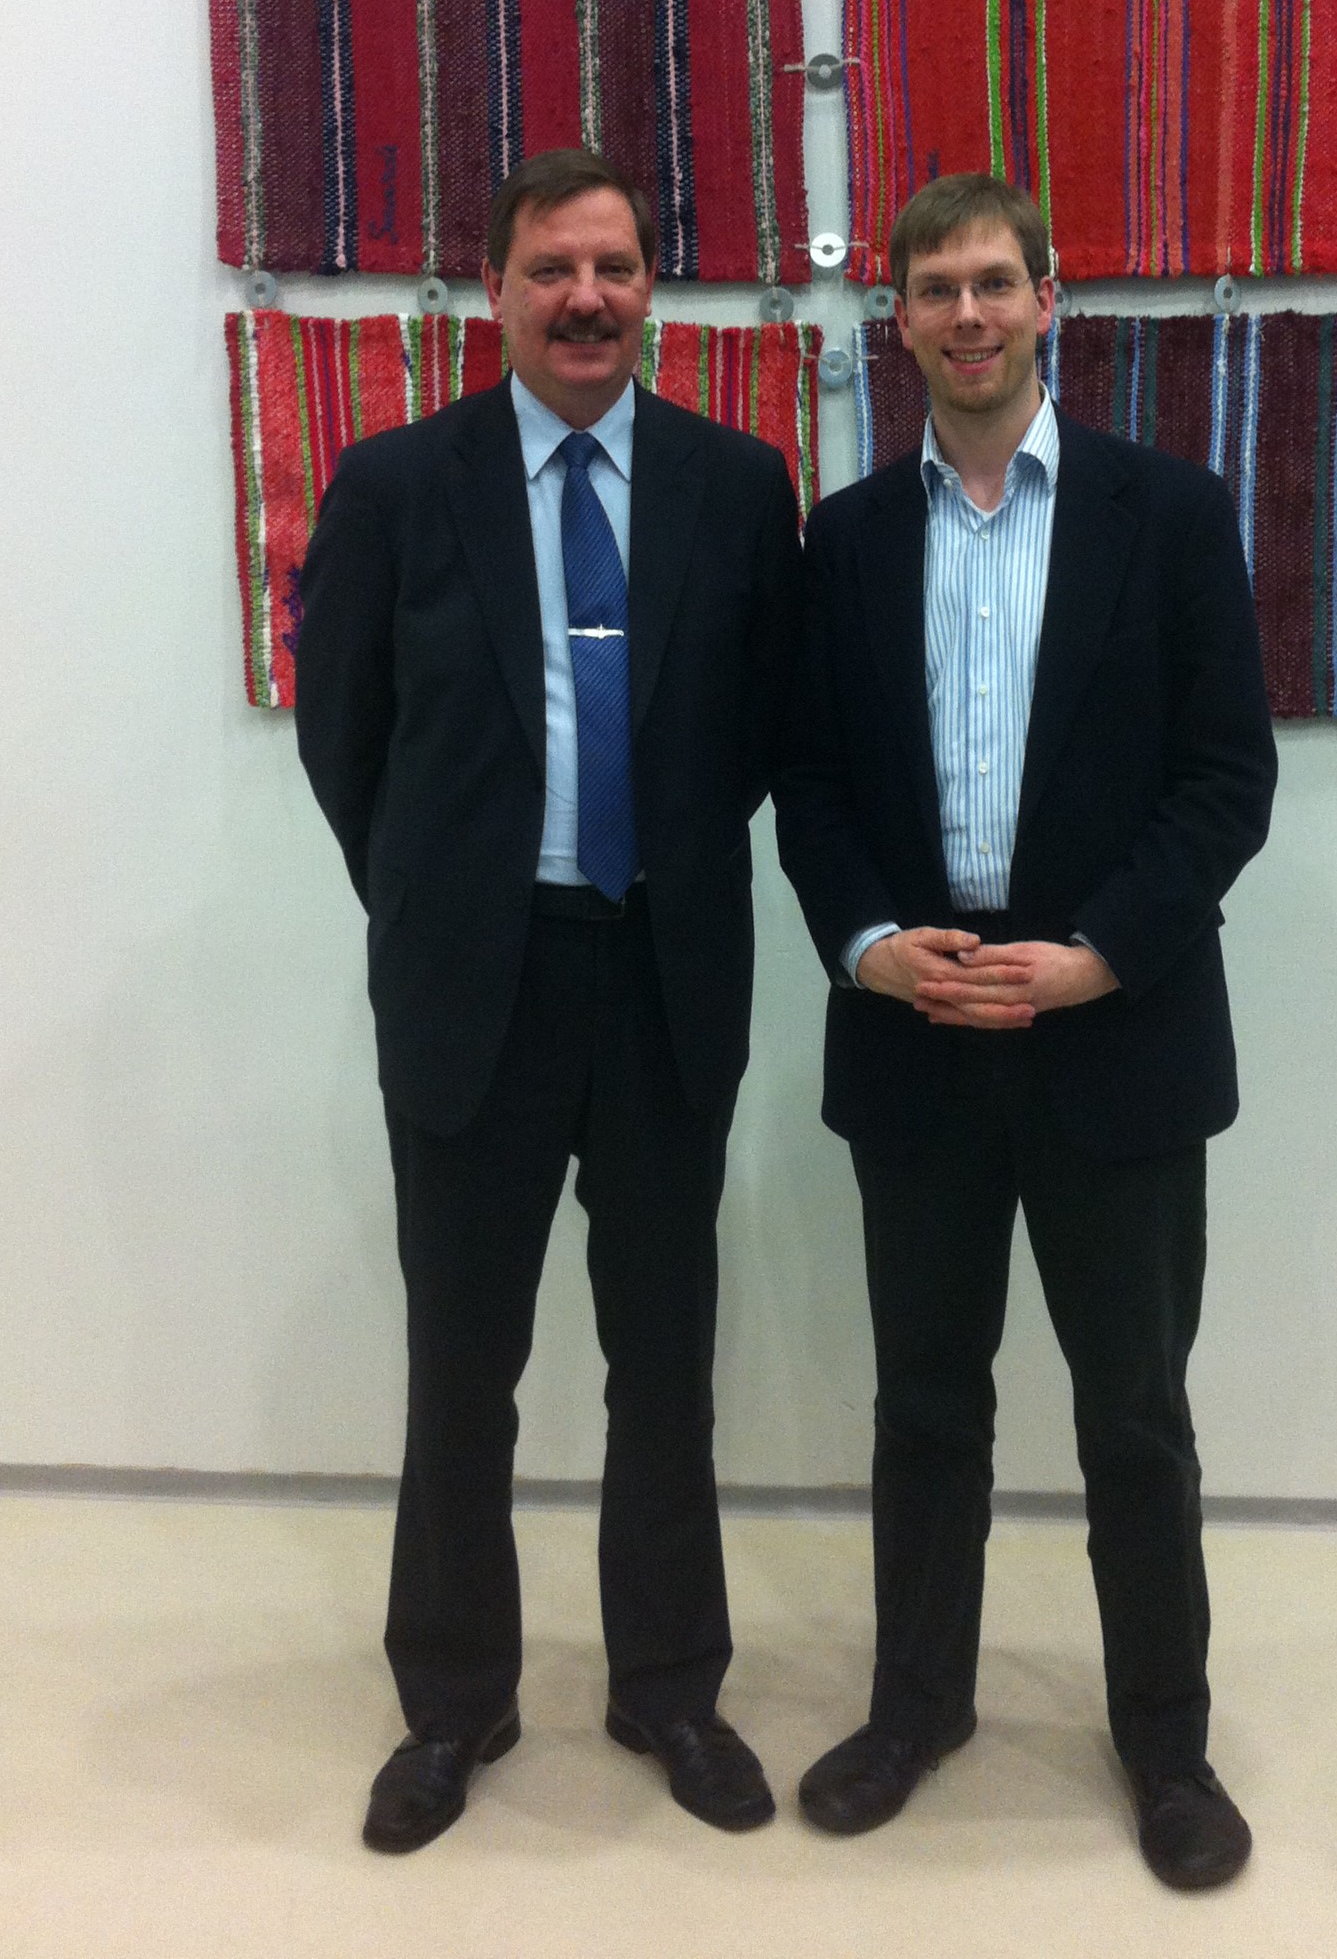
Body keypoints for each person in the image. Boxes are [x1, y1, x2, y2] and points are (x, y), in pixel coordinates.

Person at [296, 147, 801, 1853]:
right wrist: (444, 898)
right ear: (495, 291)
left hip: (663, 977)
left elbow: (759, 730)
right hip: (476, 986)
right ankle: (455, 1702)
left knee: (665, 1365)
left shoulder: (741, 486)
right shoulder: (395, 486)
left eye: (615, 267)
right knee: (464, 1364)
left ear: (653, 287)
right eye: (552, 269)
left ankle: (668, 1686)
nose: (586, 298)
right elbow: (347, 741)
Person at [775, 173, 1277, 1889]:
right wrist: (867, 946)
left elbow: (1226, 781)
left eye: (996, 282)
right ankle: (916, 1709)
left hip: (1114, 1037)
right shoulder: (846, 540)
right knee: (925, 1404)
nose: (968, 315)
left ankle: (1168, 1748)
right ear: (900, 320)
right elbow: (810, 786)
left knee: (1133, 1415)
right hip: (916, 1034)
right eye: (937, 289)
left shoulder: (1171, 512)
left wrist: (1099, 958)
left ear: (1052, 299)